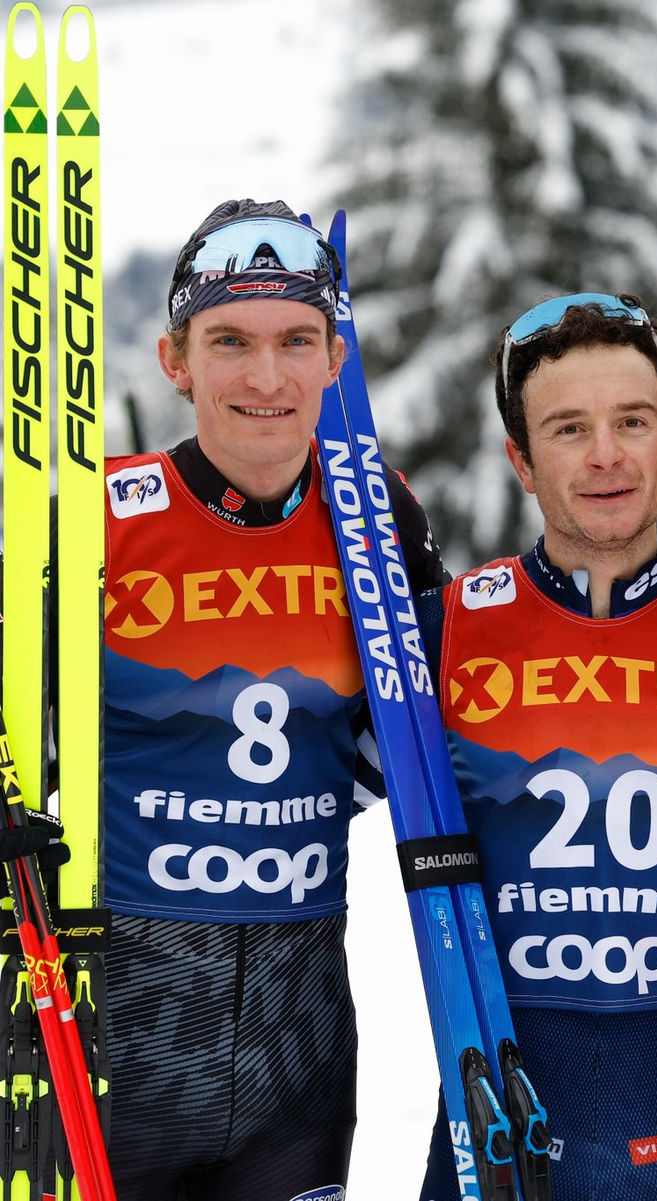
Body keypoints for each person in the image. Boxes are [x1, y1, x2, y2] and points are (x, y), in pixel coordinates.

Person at [100, 199, 447, 1199]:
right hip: (117, 1035)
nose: (266, 376)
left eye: (297, 340)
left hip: (299, 1053)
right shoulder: (102, 518)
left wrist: (310, 798)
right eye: (230, 341)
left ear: (335, 359)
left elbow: (411, 726)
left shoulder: (378, 514)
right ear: (175, 360)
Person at [417, 294, 657, 1199]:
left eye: (632, 422)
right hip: (499, 1126)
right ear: (521, 461)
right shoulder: (445, 631)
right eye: (569, 428)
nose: (606, 454)